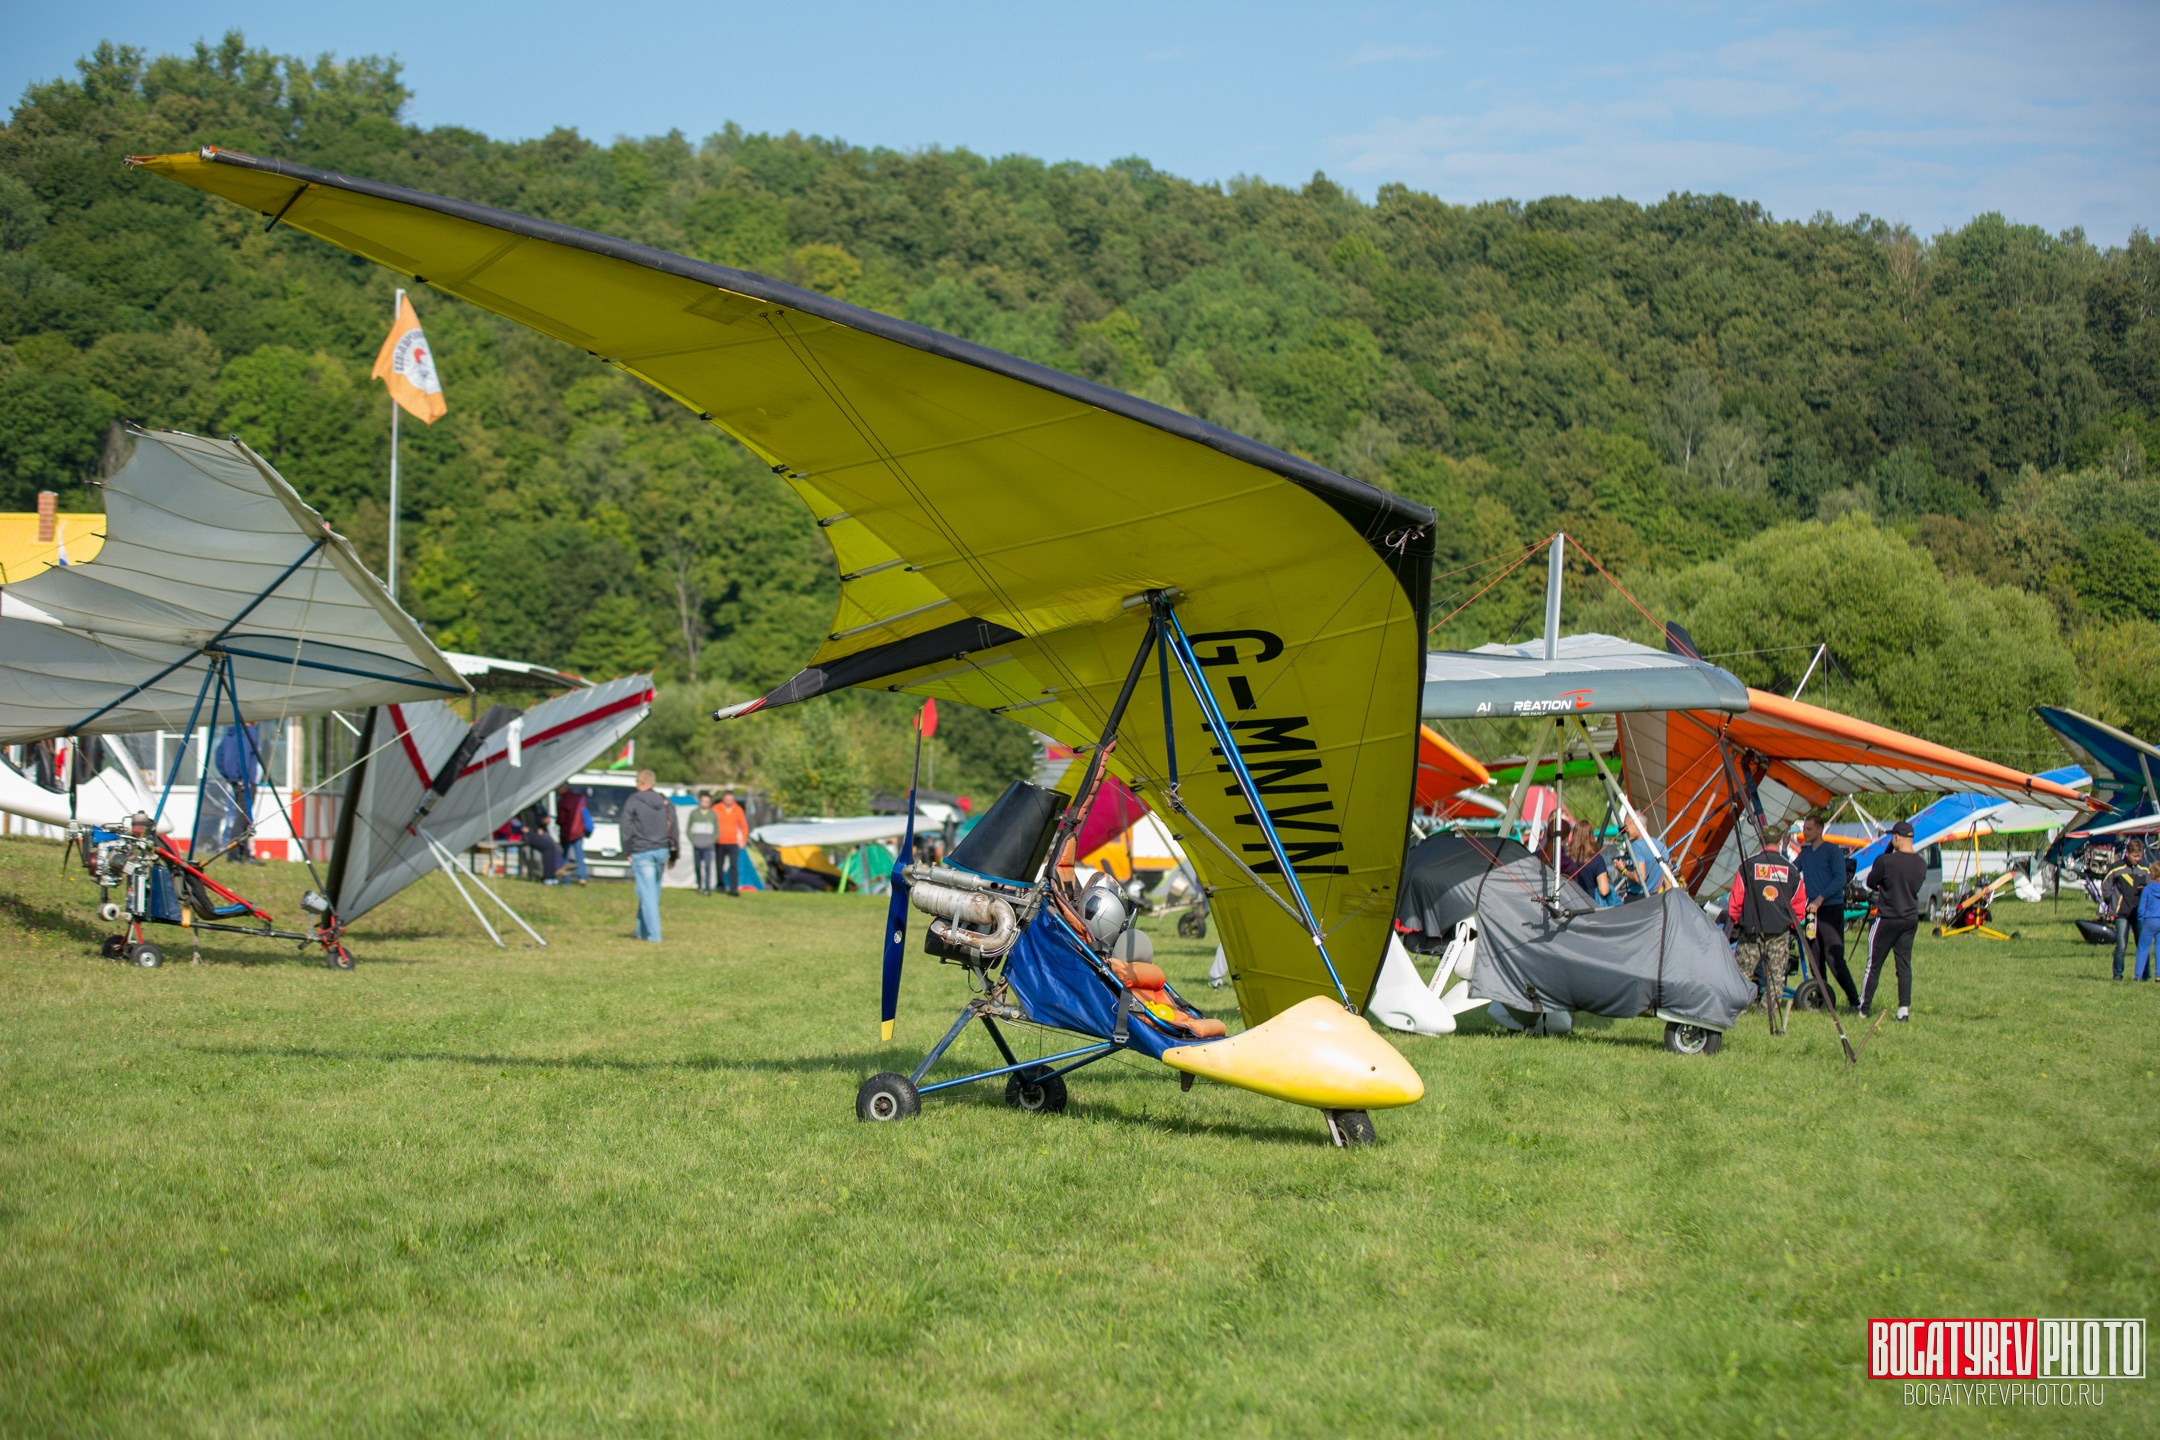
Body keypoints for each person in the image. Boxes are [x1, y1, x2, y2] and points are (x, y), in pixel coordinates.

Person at [1725, 834, 1809, 1033]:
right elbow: (1799, 904)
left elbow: (1736, 899)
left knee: (1742, 973)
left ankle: (1738, 1010)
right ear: (1779, 842)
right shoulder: (1791, 870)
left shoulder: (1748, 866)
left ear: (1761, 842)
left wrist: (1738, 919)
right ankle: (1768, 1011)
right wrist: (1791, 924)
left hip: (1752, 930)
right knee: (1776, 975)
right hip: (1780, 931)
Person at [1861, 819, 1927, 1021]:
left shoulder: (1886, 861)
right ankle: (1903, 1009)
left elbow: (1871, 882)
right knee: (1904, 964)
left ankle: (1864, 1007)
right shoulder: (1921, 863)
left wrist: (1887, 853)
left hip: (1887, 917)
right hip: (1909, 918)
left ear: (1896, 837)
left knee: (1874, 964)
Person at [1796, 814, 1861, 1010]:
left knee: (1834, 958)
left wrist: (1820, 898)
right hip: (1811, 911)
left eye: (1808, 829)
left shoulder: (1832, 851)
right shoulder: (1805, 853)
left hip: (1830, 909)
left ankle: (1854, 1000)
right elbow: (1792, 871)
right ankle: (1821, 998)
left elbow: (1840, 879)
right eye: (1804, 828)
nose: (1804, 832)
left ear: (1819, 830)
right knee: (1814, 956)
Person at [619, 770, 679, 943]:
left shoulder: (634, 801)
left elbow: (625, 827)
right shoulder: (665, 801)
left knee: (647, 894)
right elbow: (673, 827)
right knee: (651, 892)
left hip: (642, 851)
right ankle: (641, 930)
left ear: (639, 782)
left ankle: (654, 937)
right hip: (662, 850)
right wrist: (674, 854)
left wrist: (627, 849)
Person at [2102, 841, 2144, 980]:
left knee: (2141, 945)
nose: (2137, 859)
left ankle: (2144, 975)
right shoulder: (2116, 868)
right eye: (2134, 856)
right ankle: (2117, 975)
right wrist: (2110, 902)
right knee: (2121, 945)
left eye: (2139, 856)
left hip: (2139, 912)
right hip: (2121, 913)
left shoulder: (2145, 869)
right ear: (2127, 853)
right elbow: (2106, 886)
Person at [1564, 825, 1615, 906]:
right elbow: (1604, 890)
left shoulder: (1567, 859)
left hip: (1572, 904)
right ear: (1591, 837)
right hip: (1592, 904)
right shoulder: (1597, 860)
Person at [714, 787, 749, 896]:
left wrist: (743, 840)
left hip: (733, 842)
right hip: (719, 841)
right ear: (723, 799)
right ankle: (720, 886)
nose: (729, 801)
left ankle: (733, 889)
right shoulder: (716, 808)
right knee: (719, 865)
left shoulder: (738, 810)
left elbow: (744, 826)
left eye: (731, 799)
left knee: (733, 866)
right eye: (727, 799)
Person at [686, 792, 720, 894]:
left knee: (707, 866)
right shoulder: (694, 813)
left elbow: (717, 830)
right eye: (703, 801)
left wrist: (712, 840)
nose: (705, 803)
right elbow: (688, 829)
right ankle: (699, 885)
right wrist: (693, 840)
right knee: (697, 866)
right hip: (697, 844)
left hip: (708, 845)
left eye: (707, 801)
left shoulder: (713, 815)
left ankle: (707, 887)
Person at [556, 784, 590, 886]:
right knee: (579, 855)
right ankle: (582, 877)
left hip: (567, 832)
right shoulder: (579, 798)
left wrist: (558, 822)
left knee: (565, 857)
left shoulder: (563, 801)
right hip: (579, 831)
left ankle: (566, 879)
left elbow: (561, 819)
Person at [2137, 864, 2160, 982]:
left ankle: (2138, 975)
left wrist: (2141, 921)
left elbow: (2141, 909)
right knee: (2159, 948)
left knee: (2143, 948)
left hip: (2149, 920)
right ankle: (2158, 974)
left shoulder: (2147, 889)